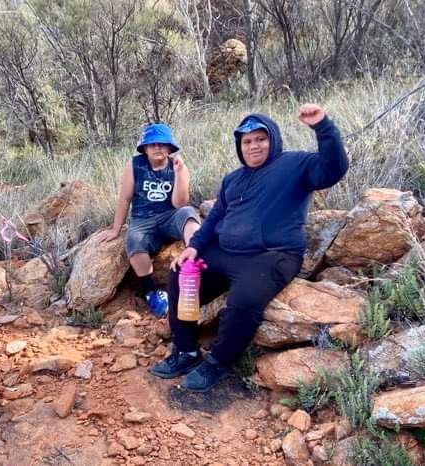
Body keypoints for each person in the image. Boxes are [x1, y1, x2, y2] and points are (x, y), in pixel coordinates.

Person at [150, 104, 349, 392]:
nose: (254, 146)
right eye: (247, 141)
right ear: (239, 146)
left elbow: (333, 169)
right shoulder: (233, 179)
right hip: (227, 253)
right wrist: (193, 248)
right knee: (180, 276)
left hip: (274, 255)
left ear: (273, 140)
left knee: (242, 302)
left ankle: (218, 363)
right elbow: (216, 217)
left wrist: (323, 127)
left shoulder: (296, 165)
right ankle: (186, 352)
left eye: (260, 139)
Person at [101, 123, 201, 317]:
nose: (157, 148)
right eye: (152, 144)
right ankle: (151, 293)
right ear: (145, 148)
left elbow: (179, 203)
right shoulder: (135, 165)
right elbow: (125, 198)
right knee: (134, 240)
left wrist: (180, 174)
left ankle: (193, 264)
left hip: (170, 215)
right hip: (142, 219)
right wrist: (115, 229)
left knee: (189, 214)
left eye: (162, 144)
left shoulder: (177, 166)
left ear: (169, 148)